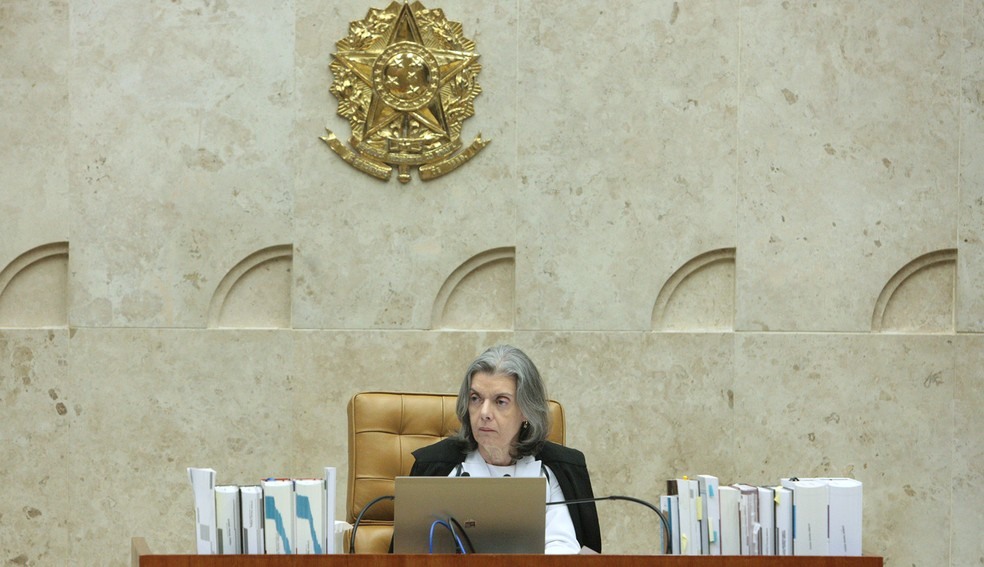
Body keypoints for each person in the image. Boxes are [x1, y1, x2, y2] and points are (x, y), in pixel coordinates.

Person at [408, 344, 602, 554]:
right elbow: (411, 554)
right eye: (475, 398)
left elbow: (563, 549)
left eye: (500, 401)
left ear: (526, 410)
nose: (484, 412)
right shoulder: (434, 467)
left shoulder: (557, 470)